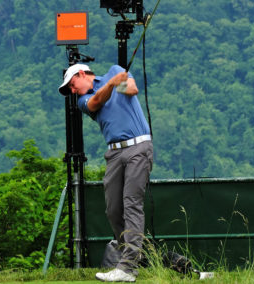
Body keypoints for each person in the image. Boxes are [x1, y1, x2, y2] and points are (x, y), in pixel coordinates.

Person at [59, 64, 153, 282]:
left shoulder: (115, 70)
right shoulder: (84, 100)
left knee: (131, 203)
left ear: (82, 74)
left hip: (138, 147)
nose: (73, 91)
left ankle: (127, 267)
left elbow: (131, 89)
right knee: (113, 210)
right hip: (114, 154)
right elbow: (96, 103)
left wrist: (117, 81)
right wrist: (113, 83)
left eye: (72, 85)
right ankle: (130, 260)